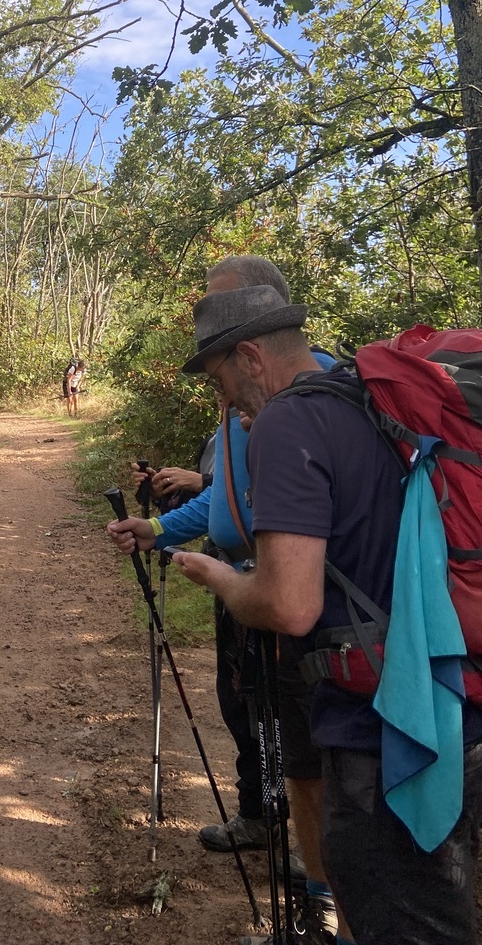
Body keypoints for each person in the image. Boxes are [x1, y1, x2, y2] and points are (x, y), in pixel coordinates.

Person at [169, 286, 482, 945]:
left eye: (221, 380)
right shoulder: (364, 400)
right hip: (450, 694)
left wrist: (225, 580)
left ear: (251, 357)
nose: (224, 402)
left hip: (381, 728)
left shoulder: (289, 421)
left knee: (401, 915)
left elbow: (289, 604)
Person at [111, 260, 342, 945]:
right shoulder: (254, 408)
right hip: (261, 592)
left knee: (309, 759)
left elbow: (287, 558)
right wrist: (157, 529)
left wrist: (225, 578)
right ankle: (282, 842)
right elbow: (228, 502)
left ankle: (323, 901)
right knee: (261, 724)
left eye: (216, 309)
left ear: (254, 334)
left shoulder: (304, 400)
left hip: (303, 608)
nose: (203, 323)